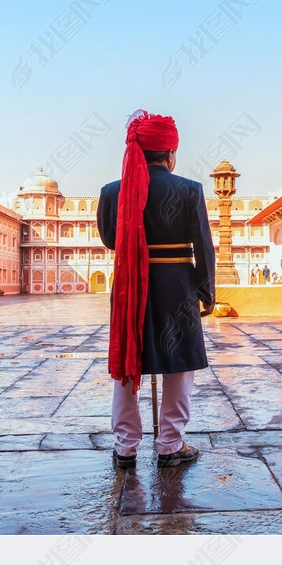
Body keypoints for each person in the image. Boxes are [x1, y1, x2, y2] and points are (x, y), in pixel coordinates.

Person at [97, 110, 215, 470]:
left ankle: (126, 446)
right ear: (170, 153)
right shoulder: (189, 189)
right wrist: (205, 292)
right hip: (177, 285)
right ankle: (169, 444)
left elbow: (109, 239)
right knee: (178, 366)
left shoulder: (112, 192)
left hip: (131, 284)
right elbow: (203, 246)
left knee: (126, 362)